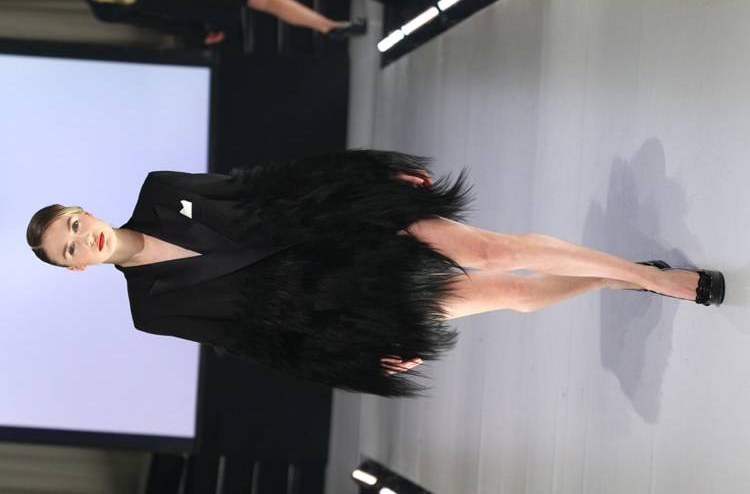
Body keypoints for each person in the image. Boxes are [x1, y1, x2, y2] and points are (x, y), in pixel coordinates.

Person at [26, 149, 724, 397]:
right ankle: (618, 278)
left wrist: (370, 176)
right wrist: (357, 357)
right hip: (345, 298)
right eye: (69, 249)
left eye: (74, 225)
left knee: (494, 250)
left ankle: (656, 280)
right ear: (74, 269)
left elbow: (259, 183)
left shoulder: (160, 189)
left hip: (342, 223)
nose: (84, 240)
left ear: (85, 210)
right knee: (510, 293)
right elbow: (254, 341)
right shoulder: (151, 311)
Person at [83, 0, 367, 47]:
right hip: (194, 4)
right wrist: (197, 34)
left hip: (193, 7)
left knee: (268, 1)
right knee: (268, 0)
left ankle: (330, 27)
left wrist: (196, 33)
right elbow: (157, 24)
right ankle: (329, 27)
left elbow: (158, 23)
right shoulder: (105, 10)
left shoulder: (103, 10)